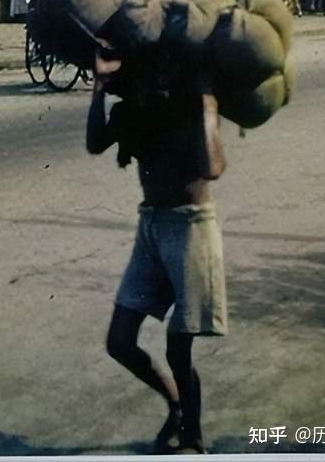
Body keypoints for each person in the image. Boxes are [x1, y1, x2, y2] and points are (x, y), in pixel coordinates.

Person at [86, 39, 227, 454]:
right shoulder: (133, 109)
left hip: (190, 228)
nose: (160, 77)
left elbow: (213, 168)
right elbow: (95, 143)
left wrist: (207, 109)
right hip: (151, 225)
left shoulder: (191, 104)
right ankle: (176, 405)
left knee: (176, 348)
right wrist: (98, 87)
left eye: (168, 69)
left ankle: (193, 437)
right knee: (120, 341)